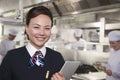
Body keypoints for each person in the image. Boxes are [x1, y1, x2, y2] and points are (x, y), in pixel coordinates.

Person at [0, 6, 65, 80]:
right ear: (27, 28)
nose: (42, 33)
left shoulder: (57, 58)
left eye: (47, 28)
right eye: (36, 27)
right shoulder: (12, 57)